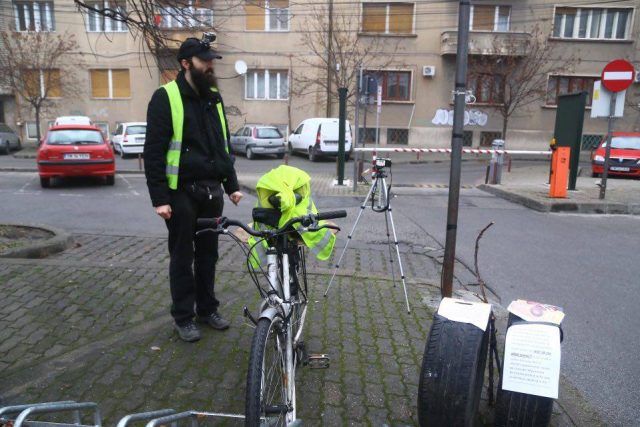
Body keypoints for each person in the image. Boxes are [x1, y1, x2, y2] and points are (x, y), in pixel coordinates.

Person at [144, 35, 243, 342]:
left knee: (208, 255)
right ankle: (184, 316)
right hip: (181, 192)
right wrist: (160, 198)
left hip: (212, 192)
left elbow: (221, 143)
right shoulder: (166, 97)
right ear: (186, 64)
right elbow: (154, 152)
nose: (210, 66)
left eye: (212, 61)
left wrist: (231, 185)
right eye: (205, 61)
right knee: (182, 256)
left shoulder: (212, 96)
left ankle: (207, 309)